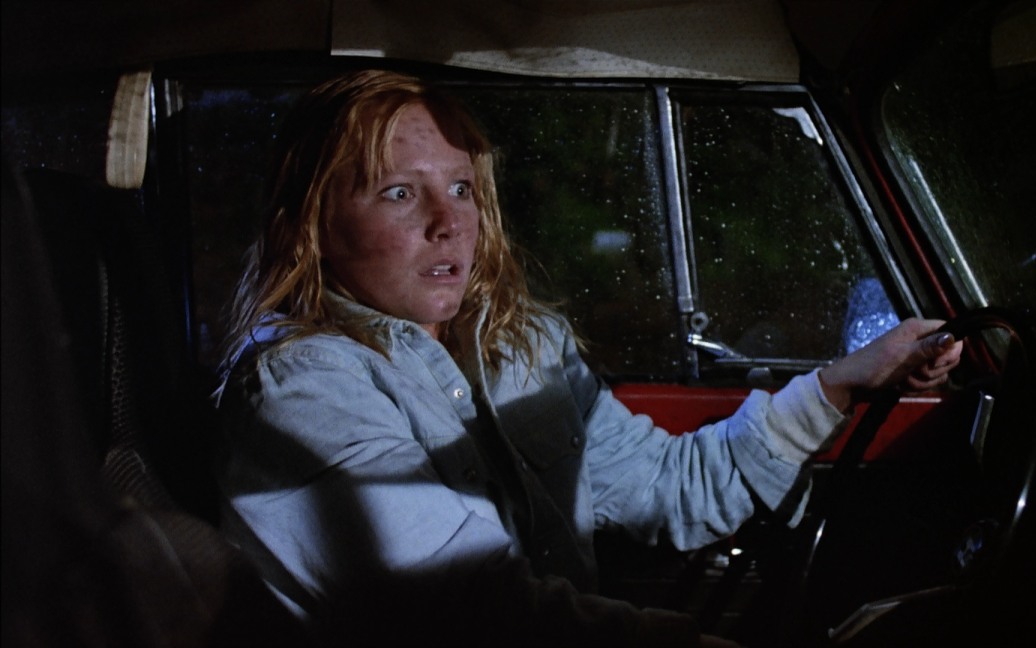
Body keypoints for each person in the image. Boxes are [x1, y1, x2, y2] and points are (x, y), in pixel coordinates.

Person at [214, 69, 963, 647]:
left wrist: (841, 383)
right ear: (313, 223)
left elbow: (668, 486)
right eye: (400, 194)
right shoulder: (302, 387)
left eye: (463, 188)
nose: (450, 223)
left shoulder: (520, 347)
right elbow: (474, 613)